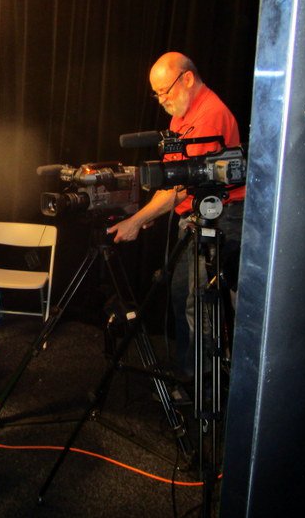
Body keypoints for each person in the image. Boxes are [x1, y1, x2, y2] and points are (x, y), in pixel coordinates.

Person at [107, 51, 244, 378]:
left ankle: (205, 387)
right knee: (182, 296)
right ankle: (188, 375)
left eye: (164, 91)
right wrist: (150, 212)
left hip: (219, 218)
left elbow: (183, 187)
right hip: (192, 217)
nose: (161, 100)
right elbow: (173, 180)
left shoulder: (210, 116)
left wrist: (138, 220)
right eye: (156, 95)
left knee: (201, 304)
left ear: (187, 78)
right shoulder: (181, 116)